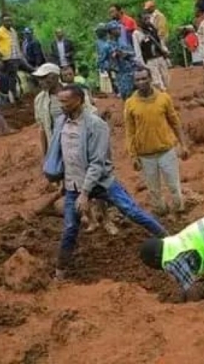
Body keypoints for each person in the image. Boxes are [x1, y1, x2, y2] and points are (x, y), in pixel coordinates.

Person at [44, 85, 168, 279]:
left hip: (100, 182)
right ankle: (60, 273)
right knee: (70, 227)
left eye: (65, 102)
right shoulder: (61, 122)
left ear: (78, 100)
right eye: (60, 101)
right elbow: (64, 156)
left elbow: (97, 163)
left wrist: (85, 193)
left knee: (131, 211)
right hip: (73, 185)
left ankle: (168, 238)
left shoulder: (96, 125)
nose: (61, 105)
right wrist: (63, 181)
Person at [125, 67, 189, 216]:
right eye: (137, 80)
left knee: (174, 186)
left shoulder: (164, 98)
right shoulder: (130, 103)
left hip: (166, 150)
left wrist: (183, 144)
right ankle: (162, 215)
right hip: (145, 155)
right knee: (154, 191)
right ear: (134, 82)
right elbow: (130, 132)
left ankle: (180, 213)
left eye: (143, 78)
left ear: (150, 79)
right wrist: (133, 155)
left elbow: (175, 122)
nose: (141, 82)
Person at [32, 63, 96, 157]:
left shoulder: (75, 91)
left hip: (78, 142)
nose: (41, 82)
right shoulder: (39, 100)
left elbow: (90, 114)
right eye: (39, 78)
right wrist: (46, 155)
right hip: (57, 145)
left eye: (44, 77)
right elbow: (42, 129)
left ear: (55, 77)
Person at [0, 14, 26, 102]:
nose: (9, 22)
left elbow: (16, 44)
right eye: (6, 20)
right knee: (12, 77)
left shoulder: (13, 31)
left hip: (18, 57)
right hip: (9, 58)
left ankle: (18, 95)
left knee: (31, 70)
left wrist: (21, 54)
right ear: (2, 22)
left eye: (10, 20)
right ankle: (15, 97)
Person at [133, 15, 170, 91]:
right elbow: (137, 50)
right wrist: (142, 64)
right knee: (157, 81)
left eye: (148, 19)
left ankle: (166, 95)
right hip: (150, 59)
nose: (147, 21)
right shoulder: (136, 33)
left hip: (160, 56)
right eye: (145, 19)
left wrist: (164, 51)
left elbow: (159, 41)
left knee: (166, 78)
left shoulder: (152, 29)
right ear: (140, 22)